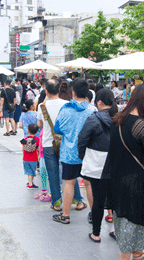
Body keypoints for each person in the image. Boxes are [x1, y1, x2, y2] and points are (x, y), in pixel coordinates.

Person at [100, 84, 144, 260]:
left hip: (117, 173)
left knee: (130, 214)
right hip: (133, 177)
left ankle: (136, 251)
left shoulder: (119, 118)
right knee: (131, 217)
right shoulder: (140, 124)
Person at [52, 79, 95, 224]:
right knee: (89, 184)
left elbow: (57, 129)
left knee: (69, 183)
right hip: (88, 153)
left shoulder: (65, 109)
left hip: (69, 152)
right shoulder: (92, 110)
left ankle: (66, 215)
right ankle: (94, 214)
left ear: (74, 92)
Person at [78, 89, 118, 243]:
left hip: (96, 165)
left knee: (97, 200)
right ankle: (116, 231)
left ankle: (96, 233)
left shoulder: (93, 119)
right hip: (115, 164)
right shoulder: (119, 119)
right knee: (115, 199)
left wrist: (83, 156)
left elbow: (82, 140)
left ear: (99, 102)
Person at [37, 79, 82, 212]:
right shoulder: (68, 104)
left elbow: (39, 122)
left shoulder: (42, 106)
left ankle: (56, 203)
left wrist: (44, 100)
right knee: (70, 172)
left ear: (46, 91)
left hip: (48, 144)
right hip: (65, 143)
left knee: (53, 174)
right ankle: (78, 201)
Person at [21, 123, 40, 189]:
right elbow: (38, 149)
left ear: (28, 131)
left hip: (25, 158)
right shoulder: (37, 139)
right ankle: (31, 183)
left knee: (28, 172)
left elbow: (22, 149)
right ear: (37, 131)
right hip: (34, 158)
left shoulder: (25, 139)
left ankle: (30, 183)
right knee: (32, 171)